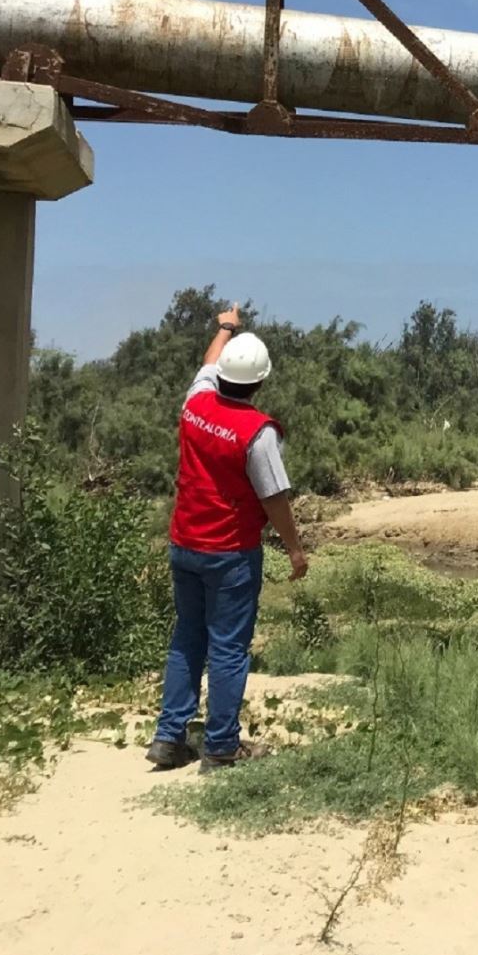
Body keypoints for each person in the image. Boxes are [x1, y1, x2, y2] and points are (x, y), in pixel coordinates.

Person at [145, 305, 308, 772]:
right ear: (261, 381)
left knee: (187, 638)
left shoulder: (196, 403)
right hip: (230, 552)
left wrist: (225, 327)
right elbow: (274, 498)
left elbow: (207, 362)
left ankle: (168, 738)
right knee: (229, 648)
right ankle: (220, 745)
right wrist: (295, 550)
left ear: (222, 375)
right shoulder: (258, 433)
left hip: (184, 543)